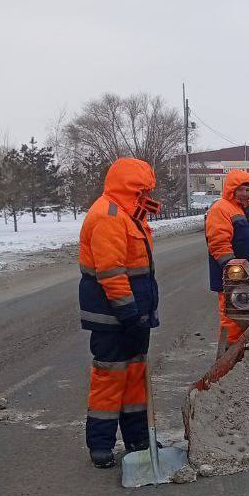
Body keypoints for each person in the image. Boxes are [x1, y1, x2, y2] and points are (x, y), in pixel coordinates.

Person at [78, 157, 160, 469]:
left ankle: (138, 439)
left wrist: (140, 316)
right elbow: (111, 273)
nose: (147, 197)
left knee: (135, 378)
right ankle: (100, 445)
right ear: (130, 188)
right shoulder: (108, 216)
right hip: (113, 317)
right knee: (110, 379)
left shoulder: (130, 215)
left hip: (134, 314)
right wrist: (129, 315)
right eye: (142, 191)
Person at [205, 169, 249, 347]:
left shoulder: (247, 212)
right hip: (234, 278)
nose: (244, 193)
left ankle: (244, 356)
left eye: (247, 189)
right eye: (240, 189)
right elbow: (219, 243)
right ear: (231, 189)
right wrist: (233, 273)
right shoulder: (221, 209)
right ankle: (228, 360)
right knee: (233, 319)